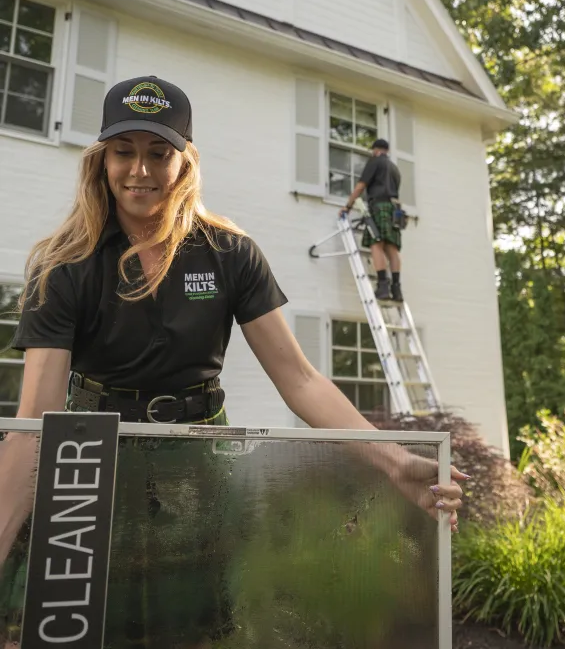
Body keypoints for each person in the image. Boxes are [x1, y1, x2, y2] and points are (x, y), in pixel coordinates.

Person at [0, 76, 466, 647]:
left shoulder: (229, 252)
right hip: (91, 460)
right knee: (87, 630)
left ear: (184, 161)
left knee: (194, 632)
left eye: (158, 153)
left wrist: (393, 461)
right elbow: (33, 426)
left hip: (198, 461)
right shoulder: (63, 265)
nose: (139, 171)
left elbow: (300, 380)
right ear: (101, 160)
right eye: (124, 152)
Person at [340, 138, 404, 301]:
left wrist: (348, 206)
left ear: (375, 150)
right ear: (387, 150)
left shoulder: (375, 162)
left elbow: (361, 186)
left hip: (379, 205)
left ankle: (383, 286)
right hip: (395, 209)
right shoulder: (395, 169)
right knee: (392, 249)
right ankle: (396, 290)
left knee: (377, 244)